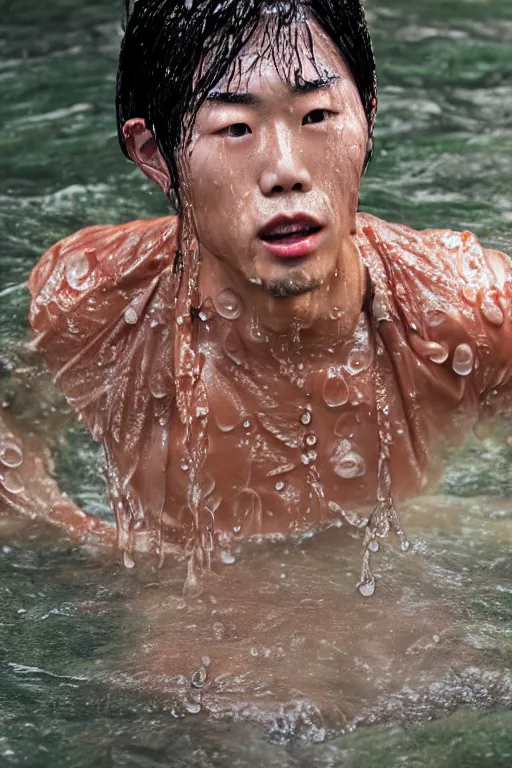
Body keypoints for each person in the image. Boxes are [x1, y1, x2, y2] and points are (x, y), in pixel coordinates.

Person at [4, 0, 512, 595]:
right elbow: (15, 440)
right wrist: (108, 552)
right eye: (236, 128)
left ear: (369, 118)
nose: (285, 170)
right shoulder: (95, 305)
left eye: (318, 115)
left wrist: (470, 531)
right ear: (154, 153)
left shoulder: (469, 313)